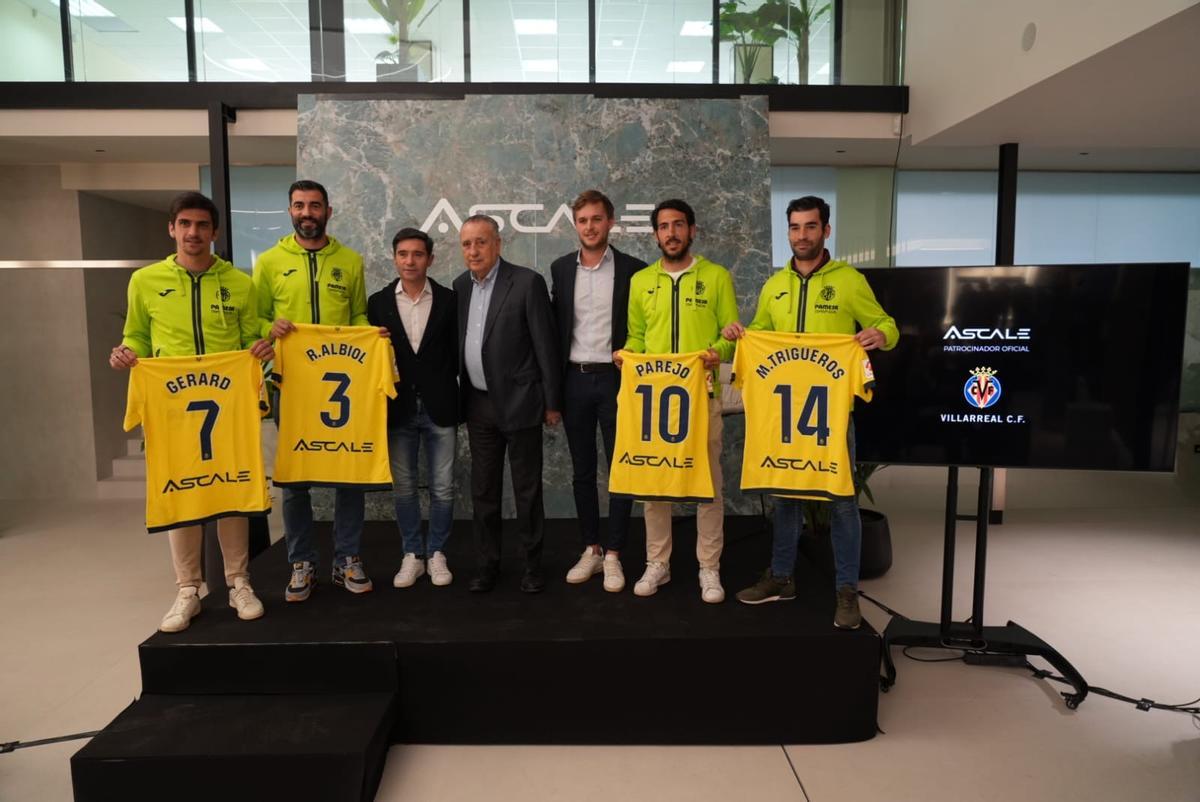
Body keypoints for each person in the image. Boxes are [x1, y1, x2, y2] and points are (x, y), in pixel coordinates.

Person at [724, 195, 898, 629]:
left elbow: (887, 323)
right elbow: (758, 334)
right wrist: (736, 336)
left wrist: (882, 334)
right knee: (784, 499)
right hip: (782, 417)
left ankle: (846, 591)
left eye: (810, 227)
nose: (802, 235)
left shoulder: (849, 281)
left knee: (841, 504)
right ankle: (782, 578)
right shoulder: (774, 285)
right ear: (788, 232)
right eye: (795, 227)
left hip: (832, 417)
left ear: (826, 230)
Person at [109, 191, 273, 632]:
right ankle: (187, 589)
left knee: (232, 491)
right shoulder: (145, 281)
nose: (193, 233)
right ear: (172, 229)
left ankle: (239, 580)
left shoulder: (240, 282)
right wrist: (127, 353)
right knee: (180, 490)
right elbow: (137, 336)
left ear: (215, 232)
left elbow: (252, 334)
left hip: (226, 405)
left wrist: (262, 346)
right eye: (185, 224)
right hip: (172, 407)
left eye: (202, 225)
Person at [252, 179, 382, 602]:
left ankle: (347, 559)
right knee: (295, 480)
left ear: (329, 210)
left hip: (340, 385)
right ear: (290, 211)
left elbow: (359, 313)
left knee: (350, 475)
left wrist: (371, 336)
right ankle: (301, 561)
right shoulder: (270, 262)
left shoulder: (350, 260)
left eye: (314, 206)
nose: (307, 212)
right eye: (299, 205)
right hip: (290, 385)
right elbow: (254, 321)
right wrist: (267, 329)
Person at [619, 199, 738, 603]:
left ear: (692, 230)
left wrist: (716, 352)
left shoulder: (717, 277)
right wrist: (625, 354)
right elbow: (637, 336)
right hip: (654, 402)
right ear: (655, 234)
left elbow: (729, 335)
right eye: (664, 227)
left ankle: (709, 568)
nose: (671, 233)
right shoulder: (641, 281)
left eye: (678, 225)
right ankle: (659, 564)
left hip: (702, 397)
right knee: (655, 485)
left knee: (708, 486)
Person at [453, 214, 562, 593]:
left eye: (481, 242)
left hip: (521, 403)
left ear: (498, 244)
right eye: (467, 244)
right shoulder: (459, 287)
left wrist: (552, 402)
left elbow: (546, 346)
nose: (473, 250)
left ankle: (532, 567)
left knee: (527, 491)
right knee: (483, 492)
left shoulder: (527, 282)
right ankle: (487, 566)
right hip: (479, 405)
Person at [550, 190, 647, 592]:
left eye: (596, 219)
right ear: (576, 225)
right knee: (583, 471)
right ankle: (591, 549)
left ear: (610, 222)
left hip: (616, 379)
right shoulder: (559, 269)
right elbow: (553, 333)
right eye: (583, 220)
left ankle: (614, 555)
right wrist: (552, 395)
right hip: (573, 379)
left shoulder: (634, 270)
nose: (590, 227)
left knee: (620, 470)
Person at [368, 228, 459, 588]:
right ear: (394, 258)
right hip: (397, 408)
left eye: (418, 254)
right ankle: (411, 554)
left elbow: (457, 353)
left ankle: (436, 553)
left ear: (430, 259)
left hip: (441, 406)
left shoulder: (451, 300)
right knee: (404, 488)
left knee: (443, 488)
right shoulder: (377, 303)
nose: (410, 261)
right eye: (403, 254)